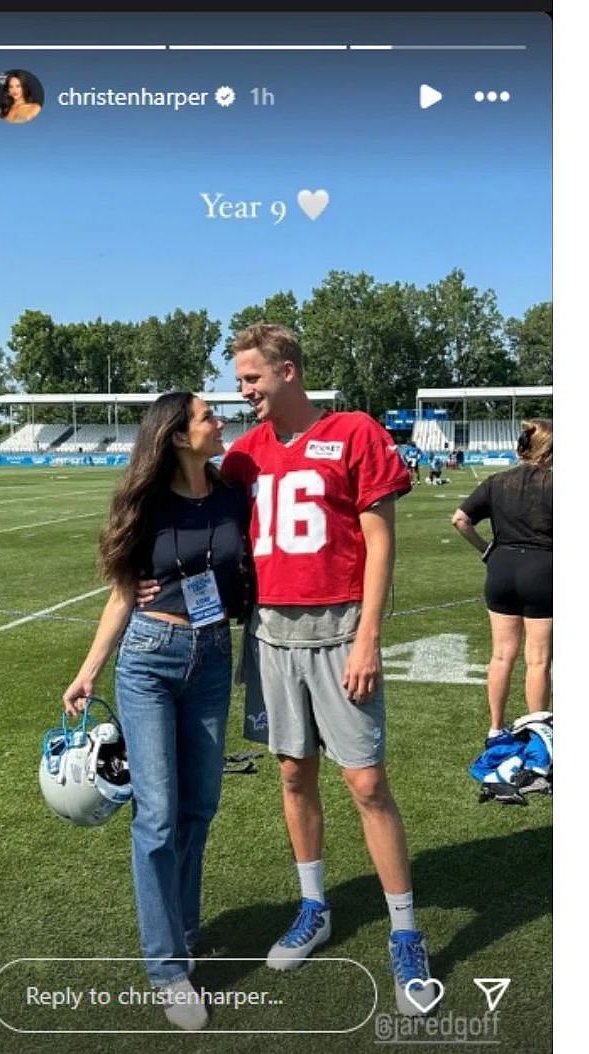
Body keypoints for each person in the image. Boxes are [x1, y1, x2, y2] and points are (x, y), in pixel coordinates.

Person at [218, 323, 436, 1016]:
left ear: (287, 370)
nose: (242, 390)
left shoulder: (356, 432)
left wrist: (369, 635)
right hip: (272, 632)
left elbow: (380, 541)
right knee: (291, 771)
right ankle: (315, 907)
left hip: (341, 627)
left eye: (251, 378)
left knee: (366, 780)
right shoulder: (244, 455)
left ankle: (405, 931)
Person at [62, 392, 248, 1031]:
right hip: (151, 657)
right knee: (160, 814)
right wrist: (88, 671)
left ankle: (185, 927)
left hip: (214, 655)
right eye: (207, 416)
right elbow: (121, 594)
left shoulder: (231, 493)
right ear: (174, 435)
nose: (220, 421)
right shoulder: (143, 502)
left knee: (201, 805)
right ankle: (167, 969)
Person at [451, 420, 553, 736]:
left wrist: (486, 551)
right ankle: (538, 735)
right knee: (537, 661)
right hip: (543, 570)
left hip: (501, 569)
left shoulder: (498, 481)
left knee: (500, 655)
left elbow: (460, 519)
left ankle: (495, 728)